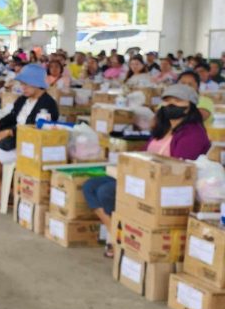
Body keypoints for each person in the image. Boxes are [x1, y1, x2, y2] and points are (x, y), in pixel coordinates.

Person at [83, 84, 210, 257]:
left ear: (190, 107)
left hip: (165, 187)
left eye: (178, 101)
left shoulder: (193, 133)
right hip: (144, 178)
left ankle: (120, 240)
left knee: (107, 191)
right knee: (90, 186)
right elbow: (144, 153)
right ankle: (118, 233)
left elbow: (177, 168)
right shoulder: (163, 128)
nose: (171, 105)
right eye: (167, 101)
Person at [0, 64, 59, 210]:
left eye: (26, 85)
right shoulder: (23, 100)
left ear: (37, 84)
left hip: (28, 147)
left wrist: (9, 132)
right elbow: (12, 116)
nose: (22, 88)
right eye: (22, 84)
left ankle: (5, 192)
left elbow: (36, 127)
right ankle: (6, 190)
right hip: (13, 142)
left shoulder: (48, 105)